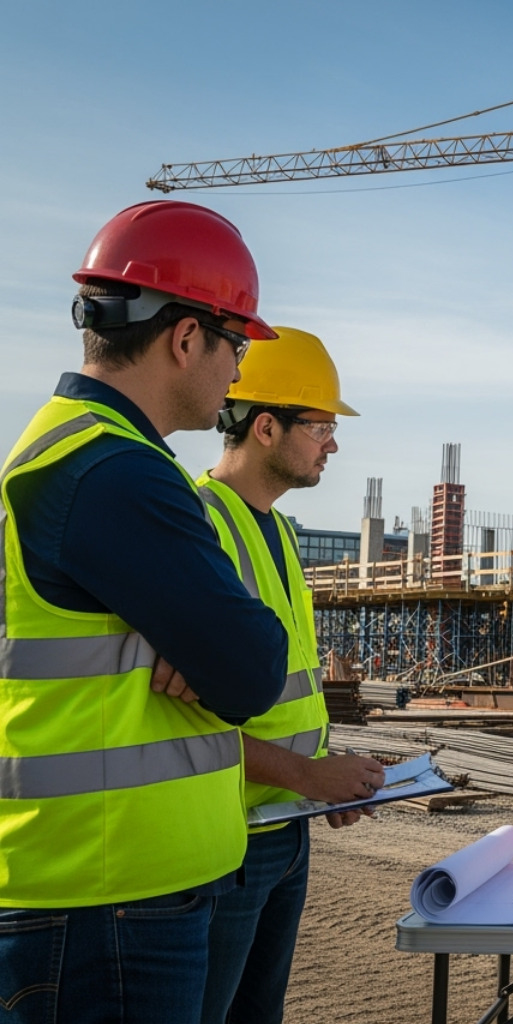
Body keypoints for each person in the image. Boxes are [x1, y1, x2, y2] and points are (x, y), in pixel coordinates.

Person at [0, 201, 290, 1024]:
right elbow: (251, 670)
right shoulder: (114, 471)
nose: (236, 374)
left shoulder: (68, 448)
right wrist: (211, 649)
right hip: (106, 904)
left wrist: (199, 644)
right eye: (236, 345)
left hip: (99, 890)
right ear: (186, 336)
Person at [196, 327, 387, 1024]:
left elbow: (290, 688)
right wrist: (308, 775)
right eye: (320, 427)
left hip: (288, 826)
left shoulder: (277, 530)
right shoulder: (199, 525)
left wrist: (324, 773)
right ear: (266, 426)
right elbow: (182, 721)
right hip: (229, 837)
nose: (331, 445)